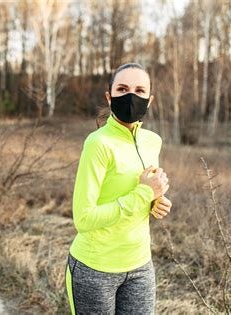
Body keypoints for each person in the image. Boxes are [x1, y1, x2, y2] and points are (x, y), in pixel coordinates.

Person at [65, 62, 173, 314]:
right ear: (109, 96)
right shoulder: (97, 143)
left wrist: (157, 202)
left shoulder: (152, 141)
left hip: (140, 266)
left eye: (139, 90)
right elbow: (83, 218)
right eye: (122, 89)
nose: (131, 96)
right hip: (95, 269)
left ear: (150, 99)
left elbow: (139, 192)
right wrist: (145, 194)